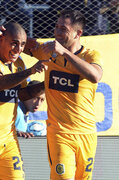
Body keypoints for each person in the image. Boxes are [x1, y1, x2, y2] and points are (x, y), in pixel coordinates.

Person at [26, 9, 103, 180]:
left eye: (64, 29)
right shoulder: (48, 50)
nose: (57, 32)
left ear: (78, 33)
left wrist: (64, 52)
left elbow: (95, 76)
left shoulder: (90, 55)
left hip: (87, 133)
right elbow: (20, 43)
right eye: (56, 27)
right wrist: (1, 35)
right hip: (59, 133)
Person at [0, 22, 48, 180]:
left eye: (22, 45)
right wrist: (31, 71)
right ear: (1, 40)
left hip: (8, 140)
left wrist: (46, 85)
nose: (18, 49)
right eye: (14, 43)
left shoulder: (18, 64)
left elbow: (22, 95)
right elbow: (1, 83)